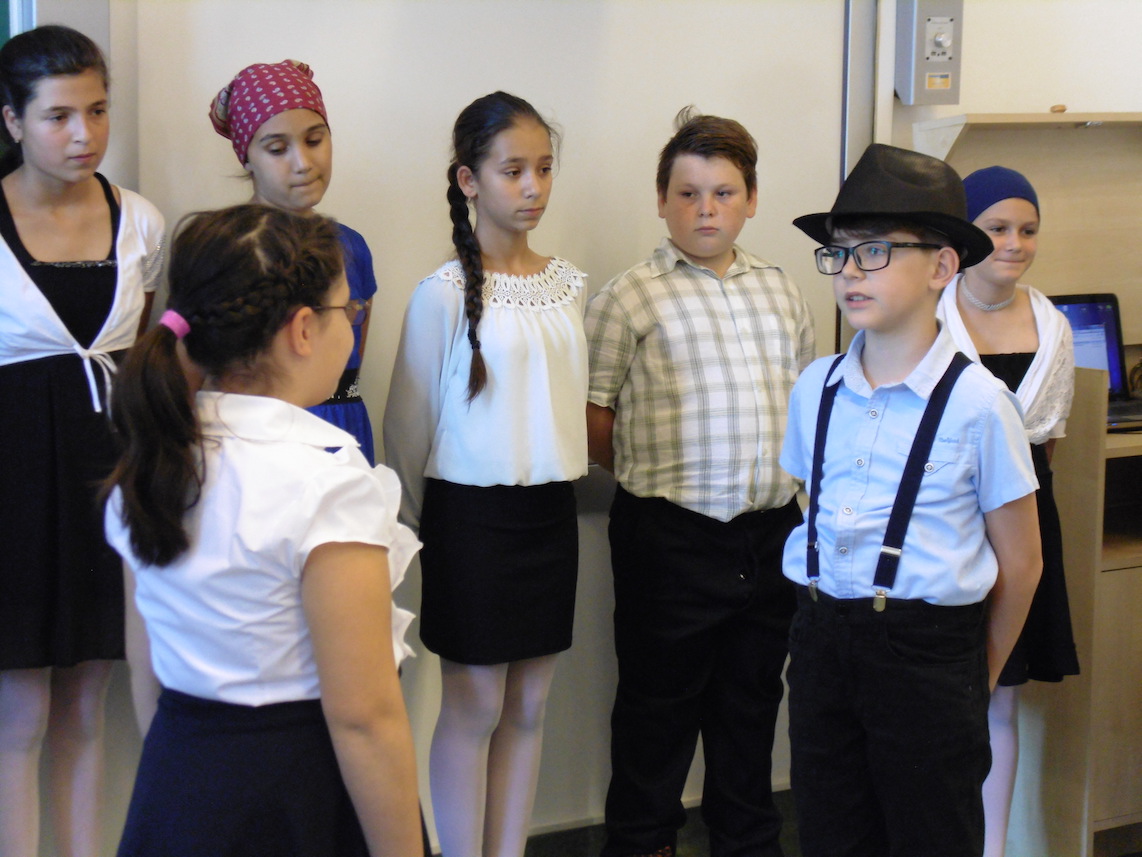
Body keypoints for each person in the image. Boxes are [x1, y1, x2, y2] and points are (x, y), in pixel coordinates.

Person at [103, 204, 421, 857]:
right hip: (294, 792)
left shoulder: (155, 460)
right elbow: (364, 717)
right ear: (303, 329)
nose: (352, 326)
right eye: (348, 310)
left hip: (177, 781)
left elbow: (147, 670)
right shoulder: (325, 483)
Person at [781, 143, 1044, 857]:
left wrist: (975, 679)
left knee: (931, 834)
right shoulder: (815, 388)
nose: (850, 271)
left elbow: (1022, 563)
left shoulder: (980, 403)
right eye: (839, 253)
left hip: (929, 654)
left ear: (941, 266)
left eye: (874, 251)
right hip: (822, 637)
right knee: (830, 830)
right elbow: (812, 503)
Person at [584, 108, 815, 857]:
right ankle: (644, 840)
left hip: (769, 532)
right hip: (669, 536)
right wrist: (649, 477)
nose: (705, 209)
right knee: (657, 708)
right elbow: (594, 416)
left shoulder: (782, 291)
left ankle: (746, 840)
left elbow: (801, 401)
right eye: (687, 194)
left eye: (723, 193)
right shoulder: (629, 297)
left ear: (751, 199)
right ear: (661, 200)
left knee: (751, 703)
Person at [383, 91, 587, 857]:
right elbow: (407, 429)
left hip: (549, 515)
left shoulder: (569, 286)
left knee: (529, 706)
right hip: (469, 520)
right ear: (469, 180)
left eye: (544, 168)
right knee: (474, 707)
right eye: (513, 170)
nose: (533, 186)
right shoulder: (440, 295)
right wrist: (416, 534)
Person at [0, 25, 164, 857]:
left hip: (107, 482)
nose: (83, 134)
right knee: (20, 712)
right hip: (13, 489)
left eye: (96, 111)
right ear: (12, 120)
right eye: (58, 115)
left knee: (87, 705)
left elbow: (151, 356)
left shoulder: (139, 222)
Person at [936, 165, 1079, 857]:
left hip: (1024, 516)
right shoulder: (931, 315)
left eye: (1028, 229)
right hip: (948, 514)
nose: (1015, 243)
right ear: (964, 234)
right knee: (943, 687)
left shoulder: (1053, 325)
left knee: (1002, 693)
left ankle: (991, 848)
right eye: (997, 228)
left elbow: (1046, 445)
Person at [210, 59, 379, 463]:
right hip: (264, 446)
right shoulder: (228, 252)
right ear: (246, 156)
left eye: (314, 140)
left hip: (344, 430)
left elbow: (348, 358)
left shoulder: (352, 248)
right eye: (277, 149)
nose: (303, 163)